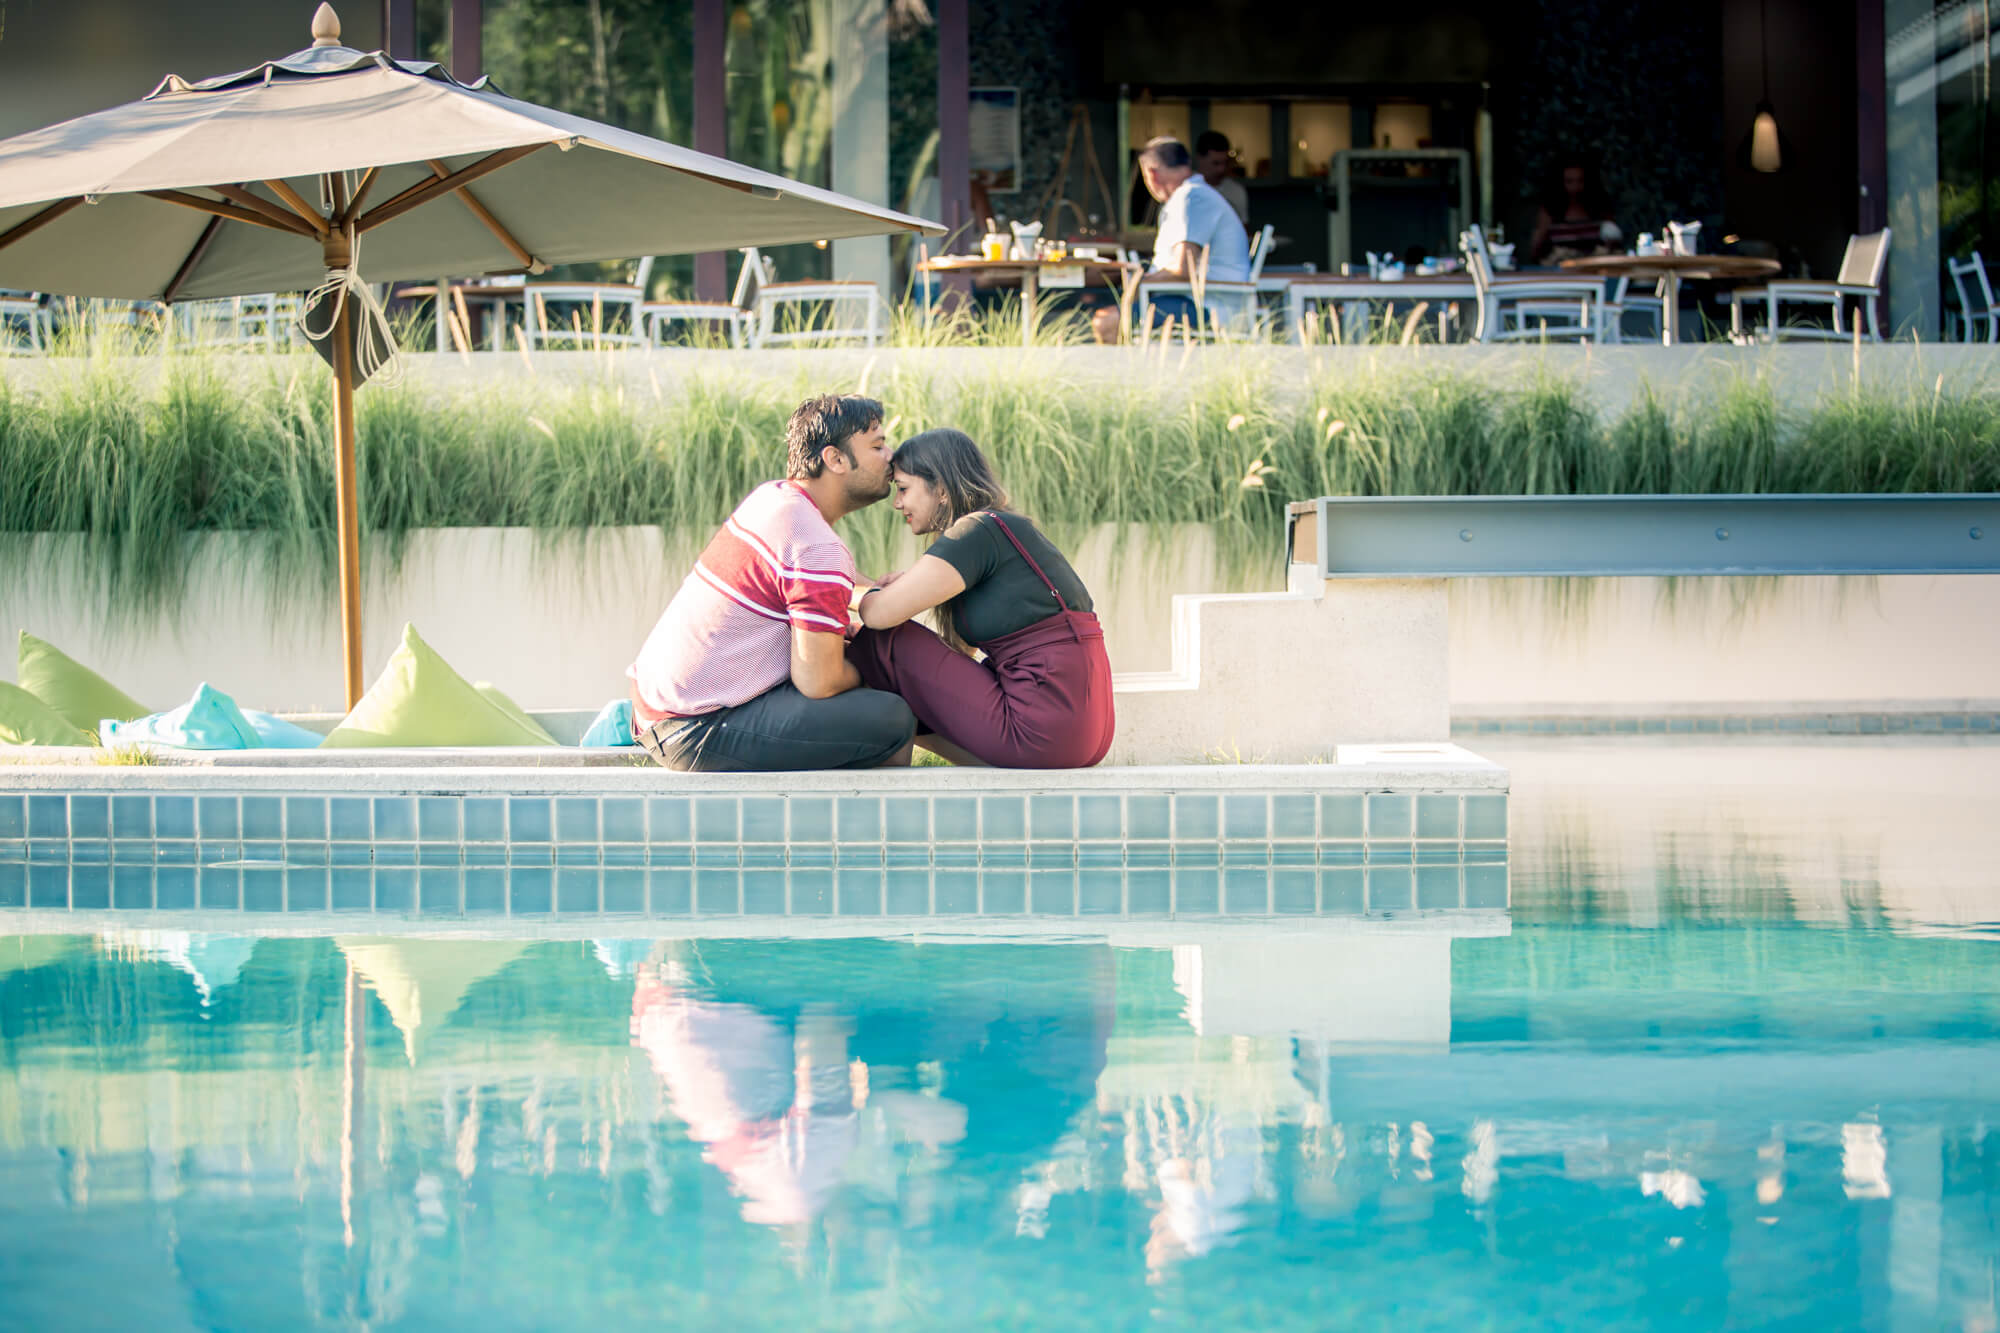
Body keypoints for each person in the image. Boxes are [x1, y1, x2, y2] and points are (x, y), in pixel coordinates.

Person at [627, 394, 916, 771]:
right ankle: (872, 827)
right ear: (836, 459)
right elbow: (818, 681)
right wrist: (879, 671)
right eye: (877, 446)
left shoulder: (775, 500)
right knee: (890, 717)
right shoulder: (816, 545)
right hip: (692, 728)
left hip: (656, 707)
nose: (890, 457)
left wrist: (880, 593)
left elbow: (825, 582)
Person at [845, 428, 1115, 768]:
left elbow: (879, 615)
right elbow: (955, 655)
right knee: (903, 674)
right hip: (1083, 730)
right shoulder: (999, 530)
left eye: (903, 489)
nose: (897, 503)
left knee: (883, 640)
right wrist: (885, 592)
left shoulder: (978, 530)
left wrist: (832, 579)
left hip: (1046, 726)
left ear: (941, 488)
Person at [1093, 136, 1253, 344]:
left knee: (1108, 322)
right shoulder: (1190, 196)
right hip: (1196, 299)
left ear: (1152, 173)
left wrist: (1136, 284)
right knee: (1107, 312)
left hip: (1208, 306)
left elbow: (1181, 269)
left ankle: (1130, 375)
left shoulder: (1192, 198)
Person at [1530, 159, 1621, 263]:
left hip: (1594, 269)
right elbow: (1535, 252)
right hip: (1560, 271)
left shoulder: (1600, 210)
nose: (1575, 187)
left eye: (1580, 181)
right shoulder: (1550, 212)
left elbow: (1614, 246)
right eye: (1569, 181)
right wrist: (1540, 236)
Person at [1194, 129, 1251, 225]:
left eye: (1225, 163)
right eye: (1215, 163)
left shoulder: (1236, 191)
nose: (1221, 169)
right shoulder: (1185, 190)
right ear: (1199, 158)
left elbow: (1244, 230)